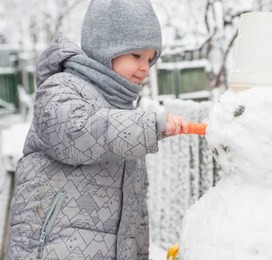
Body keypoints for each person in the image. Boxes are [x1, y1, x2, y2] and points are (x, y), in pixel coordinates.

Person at [6, 0, 188, 259]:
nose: (145, 67)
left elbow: (134, 214)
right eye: (136, 55)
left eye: (151, 58)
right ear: (105, 49)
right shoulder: (62, 88)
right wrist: (150, 125)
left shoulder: (126, 117)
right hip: (51, 249)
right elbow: (74, 133)